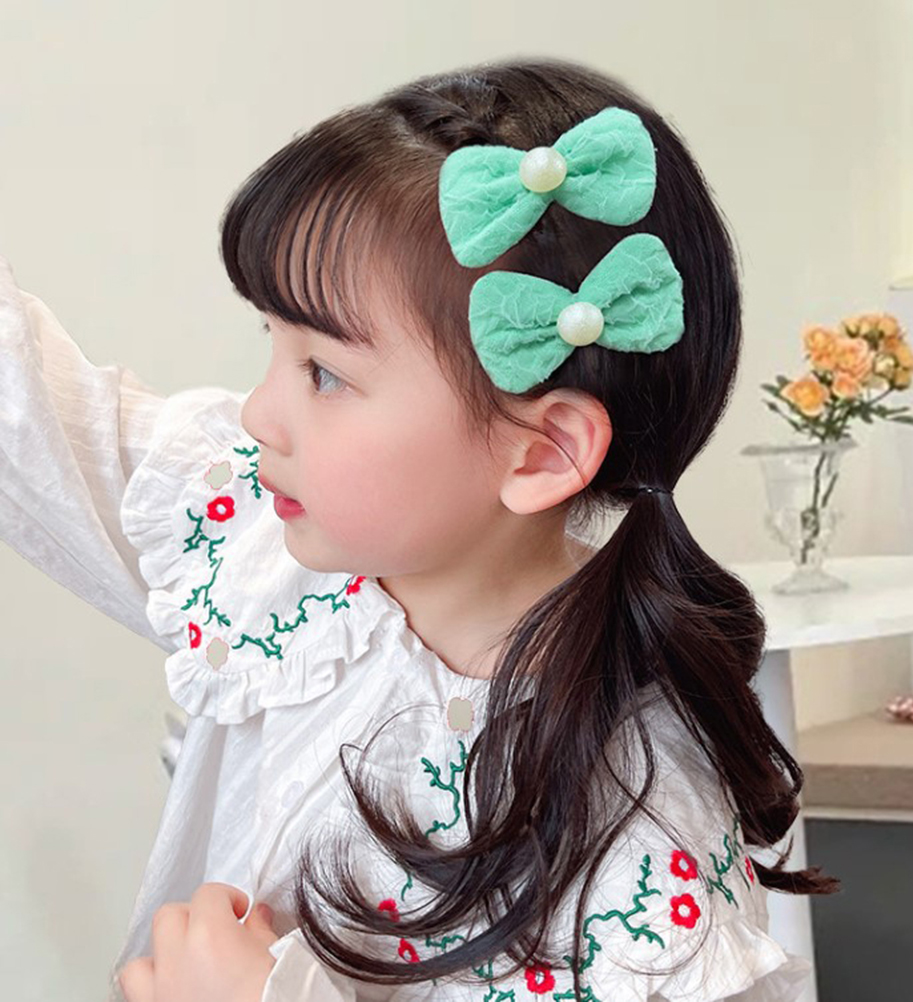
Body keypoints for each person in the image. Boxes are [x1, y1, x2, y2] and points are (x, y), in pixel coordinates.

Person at [0, 56, 838, 1002]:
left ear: (541, 452)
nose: (259, 414)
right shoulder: (259, 538)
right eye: (273, 344)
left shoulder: (638, 827)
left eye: (324, 373)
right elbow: (24, 408)